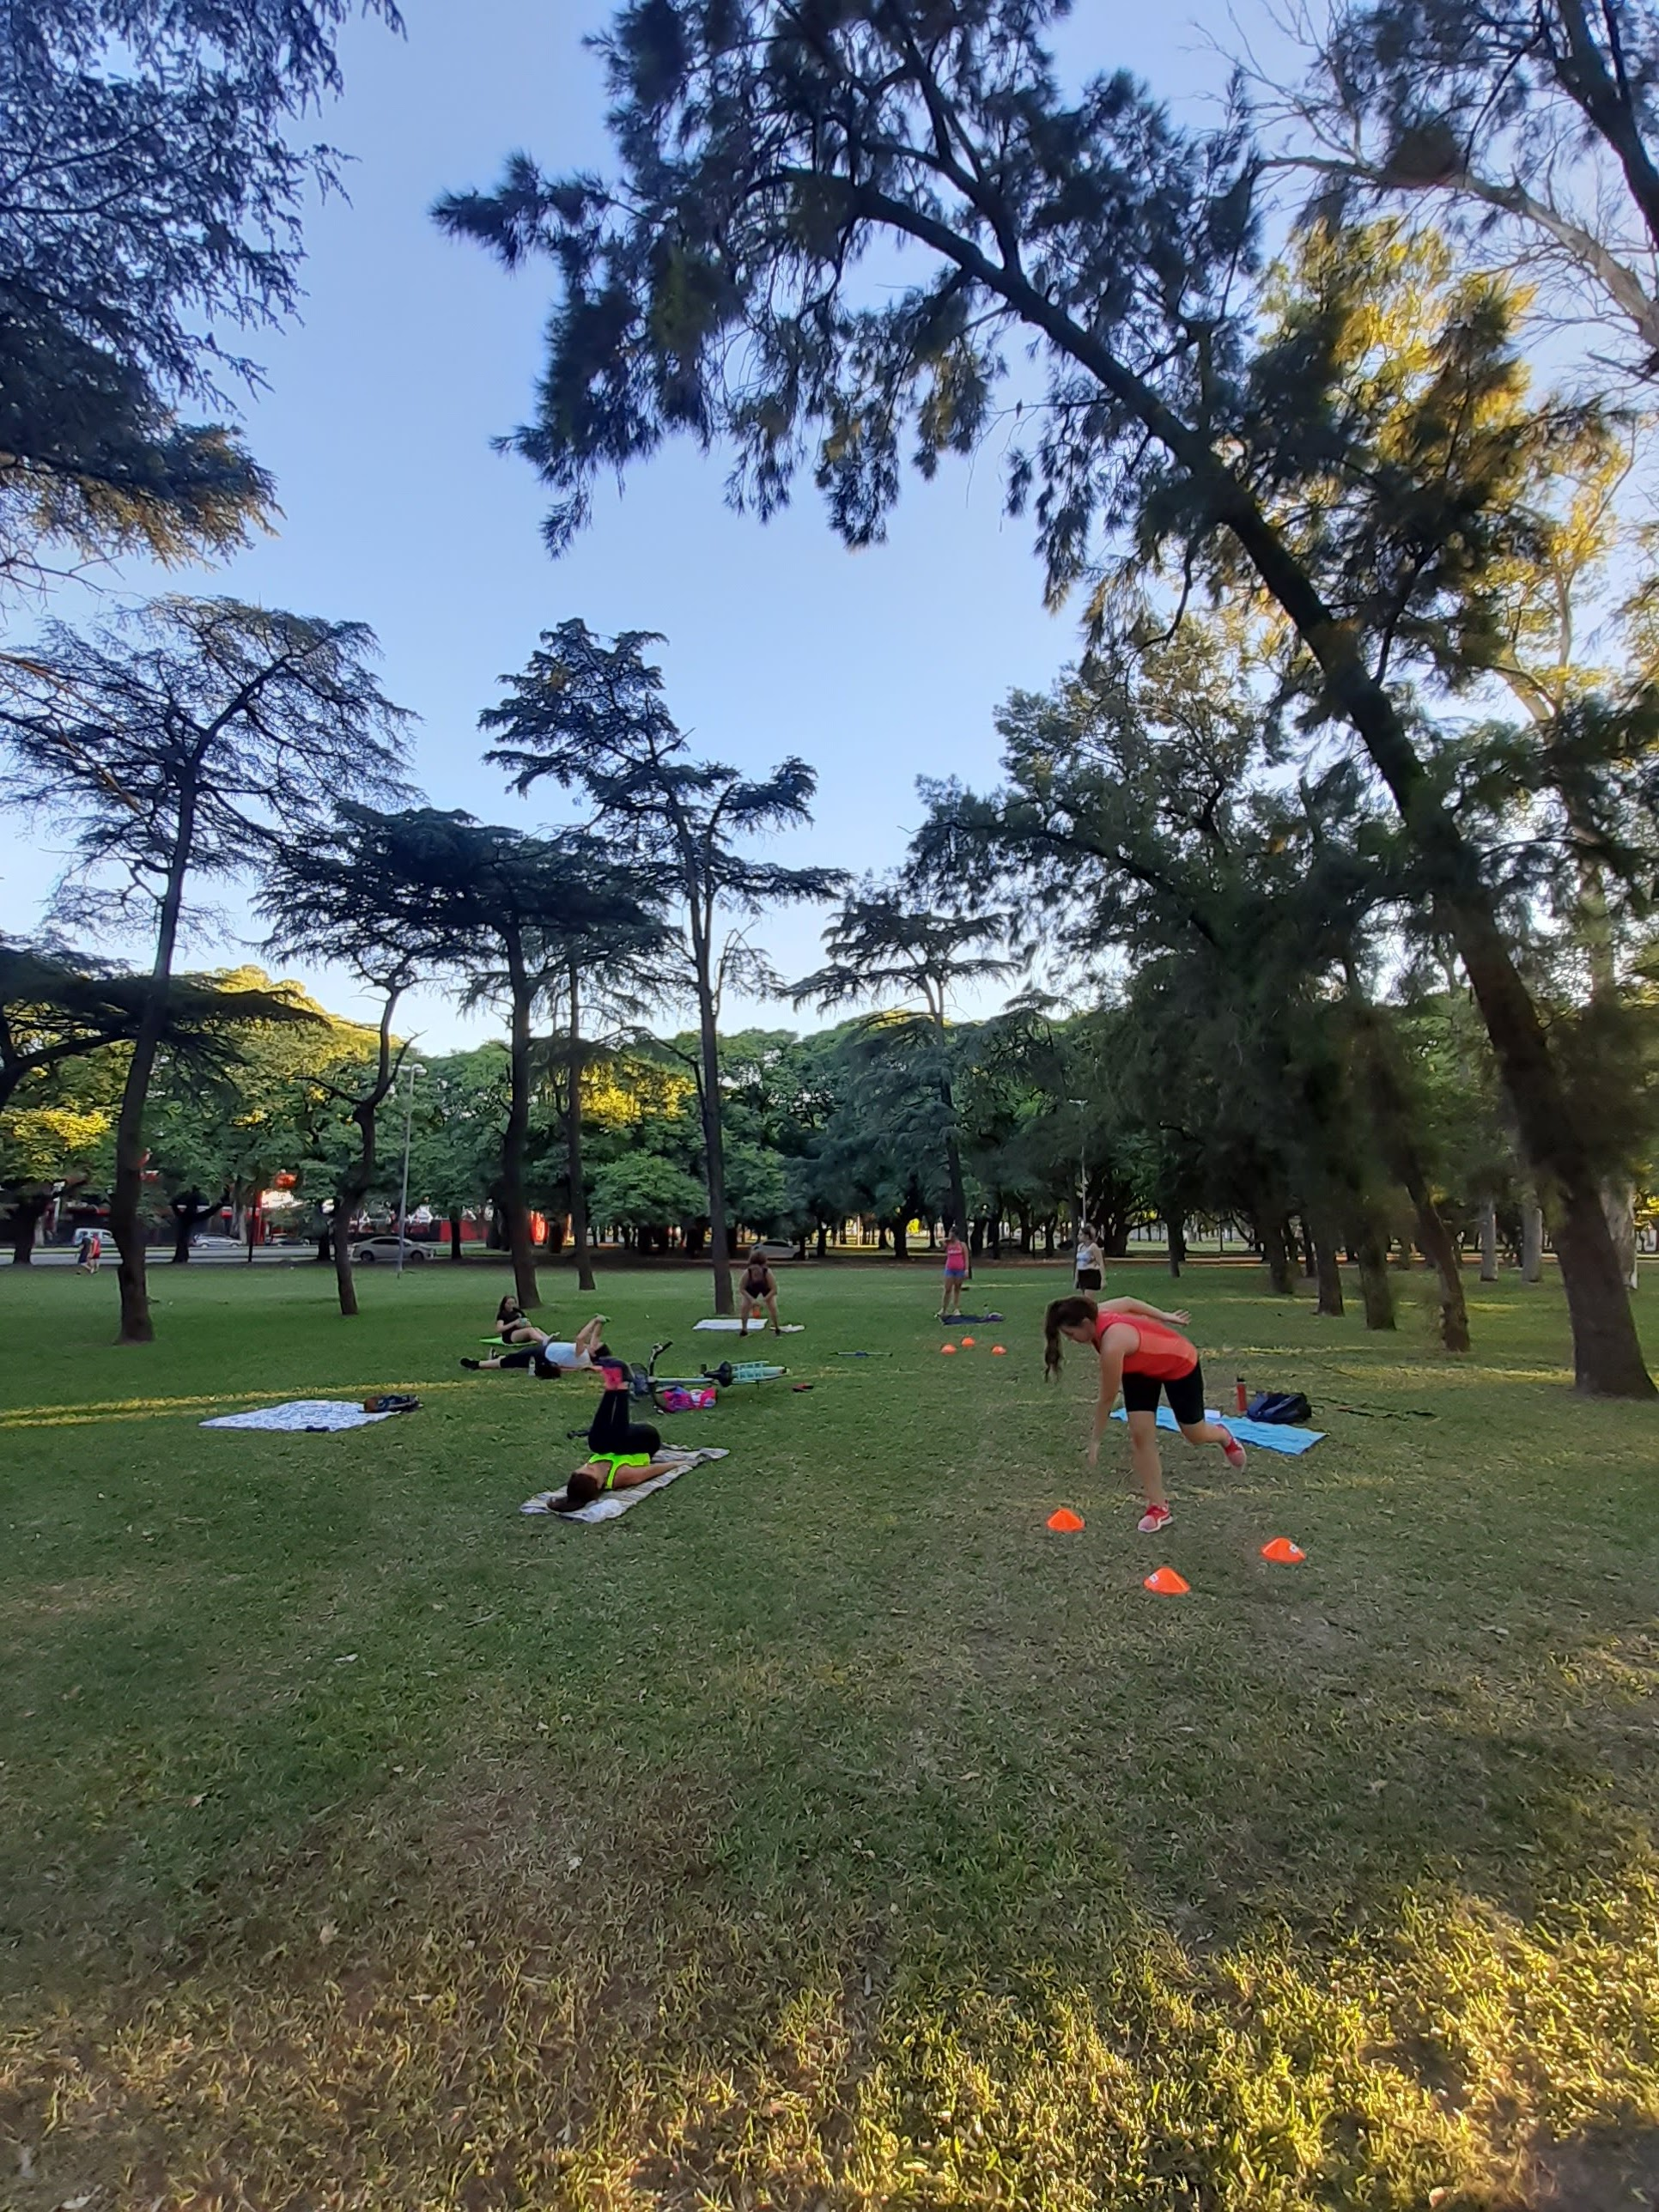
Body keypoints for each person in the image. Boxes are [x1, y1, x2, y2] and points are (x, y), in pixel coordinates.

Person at [1043, 1292, 1247, 1534]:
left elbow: (1106, 1398)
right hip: (1138, 1367)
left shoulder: (1112, 1344)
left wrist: (1096, 1439)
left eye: (1071, 1334)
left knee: (1195, 1434)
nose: (1073, 1340)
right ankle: (1158, 1507)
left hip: (1178, 1363)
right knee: (1140, 1435)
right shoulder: (1097, 1315)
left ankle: (1223, 1436)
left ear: (1086, 1323)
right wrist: (1166, 1316)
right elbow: (1128, 1302)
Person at [554, 1362, 684, 1510]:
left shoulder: (587, 1474)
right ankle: (622, 1388)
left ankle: (611, 1387)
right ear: (598, 1483)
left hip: (624, 1437)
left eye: (581, 1469)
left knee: (596, 1444)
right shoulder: (620, 1476)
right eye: (589, 1471)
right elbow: (651, 1471)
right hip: (647, 1440)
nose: (587, 1466)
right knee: (616, 1441)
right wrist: (677, 1464)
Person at [462, 1313, 609, 1374]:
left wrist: (593, 1321)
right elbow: (596, 1336)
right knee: (515, 1358)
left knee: (510, 1361)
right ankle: (495, 1358)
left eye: (596, 1345)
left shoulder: (582, 1356)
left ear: (594, 1352)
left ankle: (477, 1364)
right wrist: (600, 1323)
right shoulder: (587, 1356)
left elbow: (580, 1338)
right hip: (544, 1351)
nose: (594, 1342)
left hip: (542, 1355)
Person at [738, 1246, 782, 1336]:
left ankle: (777, 1328)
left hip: (766, 1288)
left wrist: (765, 1299)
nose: (756, 1272)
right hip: (751, 1288)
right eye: (754, 1269)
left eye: (758, 1269)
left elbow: (774, 1289)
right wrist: (752, 1300)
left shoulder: (767, 1273)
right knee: (744, 1307)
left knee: (772, 1306)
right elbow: (741, 1288)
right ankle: (744, 1329)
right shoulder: (747, 1273)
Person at [940, 1230, 969, 1319]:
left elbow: (966, 1258)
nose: (950, 1236)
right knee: (947, 1289)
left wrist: (966, 1269)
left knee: (957, 1289)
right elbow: (940, 1242)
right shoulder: (948, 1244)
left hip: (959, 1270)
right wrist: (947, 1239)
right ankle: (944, 1309)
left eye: (951, 1234)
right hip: (949, 1269)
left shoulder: (962, 1245)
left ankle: (956, 1309)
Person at [1073, 1223, 1103, 1292]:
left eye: (1080, 1235)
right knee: (1082, 1300)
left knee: (1088, 1300)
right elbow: (1078, 1263)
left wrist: (1103, 1280)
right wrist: (1076, 1278)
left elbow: (1100, 1263)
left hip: (1091, 1274)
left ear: (1086, 1236)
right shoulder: (1080, 1247)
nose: (1078, 1236)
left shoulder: (1093, 1247)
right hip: (1082, 1274)